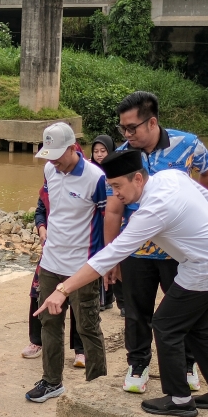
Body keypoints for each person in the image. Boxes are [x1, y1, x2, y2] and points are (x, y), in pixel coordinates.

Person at [35, 149, 208, 417]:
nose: (115, 194)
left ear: (137, 179)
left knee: (165, 325)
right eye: (110, 187)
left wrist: (63, 289)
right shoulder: (170, 176)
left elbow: (109, 256)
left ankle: (179, 399)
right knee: (200, 328)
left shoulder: (151, 211)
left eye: (117, 186)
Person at [105, 91, 208, 394]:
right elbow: (113, 209)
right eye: (122, 129)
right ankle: (138, 364)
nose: (126, 135)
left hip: (178, 251)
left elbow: (207, 171)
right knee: (137, 311)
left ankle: (187, 363)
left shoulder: (188, 145)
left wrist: (203, 206)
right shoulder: (123, 157)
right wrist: (112, 257)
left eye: (132, 128)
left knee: (183, 310)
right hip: (136, 252)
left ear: (152, 122)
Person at [26, 123, 108, 404]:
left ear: (74, 148)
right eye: (49, 155)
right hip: (51, 262)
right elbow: (50, 209)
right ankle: (51, 382)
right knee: (49, 323)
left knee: (87, 325)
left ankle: (97, 385)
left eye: (58, 155)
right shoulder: (50, 169)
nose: (53, 162)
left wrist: (106, 263)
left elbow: (108, 219)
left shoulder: (96, 178)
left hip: (81, 266)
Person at [21, 195, 86, 368]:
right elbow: (40, 211)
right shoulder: (49, 186)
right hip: (52, 251)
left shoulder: (87, 182)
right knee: (38, 293)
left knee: (77, 299)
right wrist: (42, 229)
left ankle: (81, 350)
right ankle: (37, 341)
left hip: (77, 251)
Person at [89, 134, 123, 315]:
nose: (100, 155)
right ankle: (104, 299)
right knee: (101, 259)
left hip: (113, 221)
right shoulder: (89, 172)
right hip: (96, 223)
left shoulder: (118, 170)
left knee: (114, 258)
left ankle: (121, 302)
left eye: (103, 151)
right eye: (96, 151)